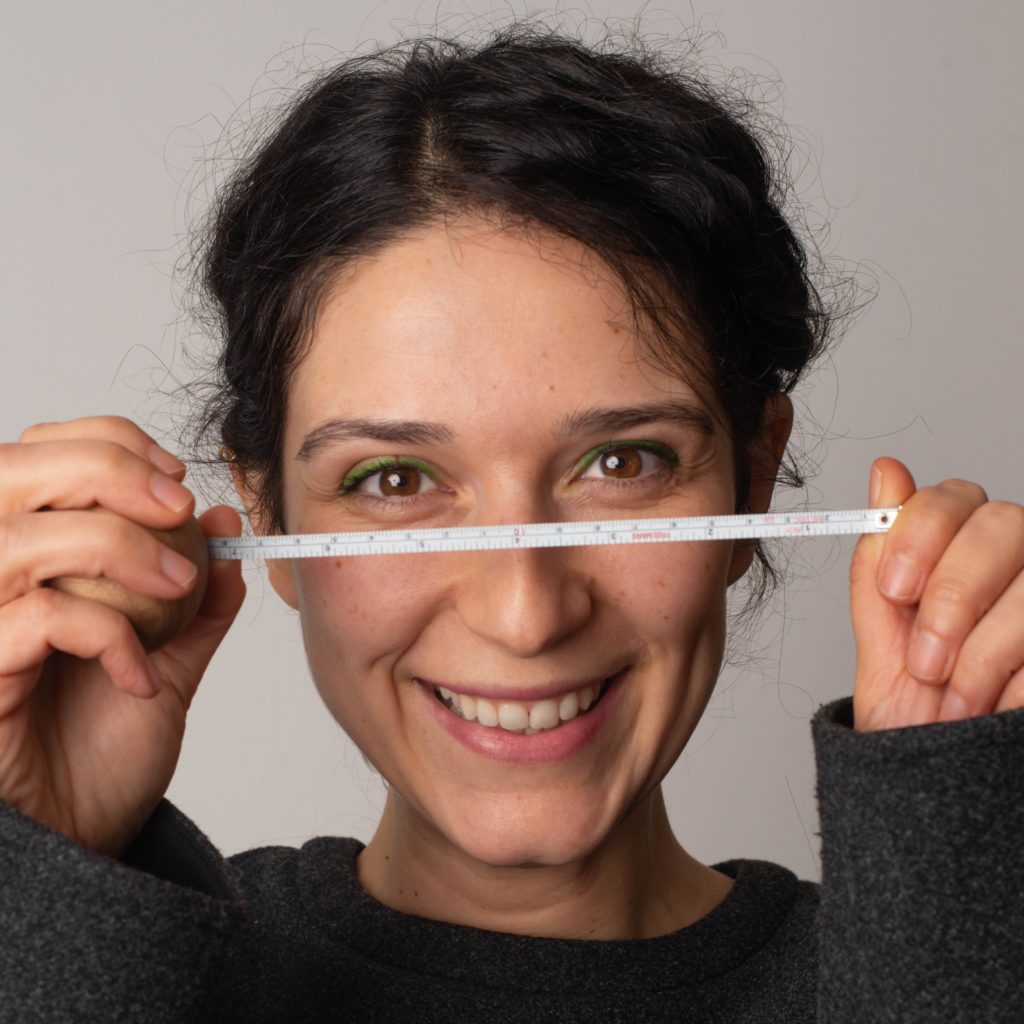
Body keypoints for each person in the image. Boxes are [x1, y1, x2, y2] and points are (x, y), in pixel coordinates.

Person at [2, 22, 1022, 1024]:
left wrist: (947, 864)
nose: (525, 614)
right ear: (264, 512)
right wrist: (35, 888)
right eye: (396, 478)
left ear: (751, 480)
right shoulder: (119, 971)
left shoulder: (947, 937)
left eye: (622, 462)